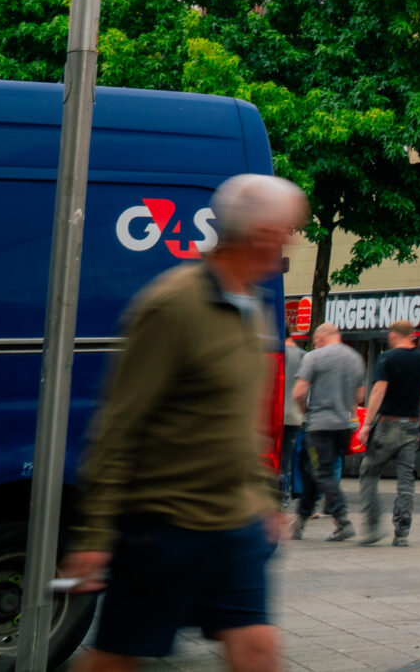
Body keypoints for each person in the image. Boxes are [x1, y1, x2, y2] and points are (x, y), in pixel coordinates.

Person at [61, 172, 308, 672]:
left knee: (258, 649)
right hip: (164, 526)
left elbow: (245, 425)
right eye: (288, 231)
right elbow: (118, 426)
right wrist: (92, 536)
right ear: (261, 235)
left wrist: (264, 499)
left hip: (233, 525)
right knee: (115, 659)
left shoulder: (254, 311)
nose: (292, 243)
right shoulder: (171, 305)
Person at [357, 319, 420, 547]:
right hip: (411, 426)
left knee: (369, 471)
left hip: (388, 425)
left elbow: (379, 390)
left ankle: (372, 525)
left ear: (393, 335)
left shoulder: (387, 358)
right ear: (412, 336)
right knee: (406, 479)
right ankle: (402, 531)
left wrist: (367, 424)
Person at [293, 322, 362, 540]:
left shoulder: (313, 357)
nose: (315, 343)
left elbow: (298, 392)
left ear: (322, 336)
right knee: (318, 472)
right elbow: (359, 396)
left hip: (318, 425)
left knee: (321, 472)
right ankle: (300, 521)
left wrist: (305, 413)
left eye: (315, 339)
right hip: (342, 426)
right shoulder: (355, 358)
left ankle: (343, 519)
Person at [280, 336, 307, 516]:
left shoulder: (275, 353)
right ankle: (283, 496)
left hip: (273, 413)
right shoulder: (303, 356)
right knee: (288, 458)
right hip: (294, 415)